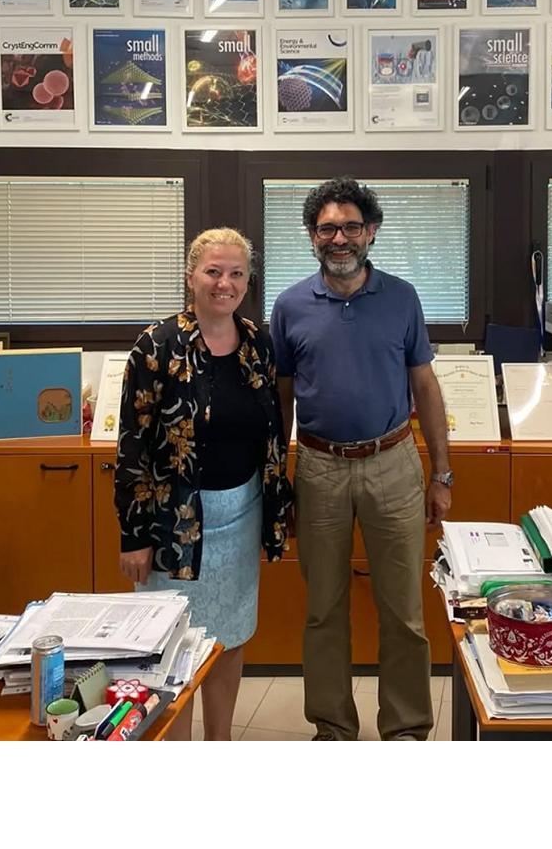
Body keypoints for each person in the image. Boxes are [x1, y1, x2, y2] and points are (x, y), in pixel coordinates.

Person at [270, 177, 452, 741]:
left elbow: (425, 387)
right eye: (327, 228)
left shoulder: (402, 297)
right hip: (318, 468)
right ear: (312, 236)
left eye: (351, 226)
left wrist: (442, 474)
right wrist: (278, 481)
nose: (340, 238)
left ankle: (406, 727)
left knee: (403, 609)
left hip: (393, 462)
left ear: (371, 232)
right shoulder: (289, 305)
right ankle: (333, 726)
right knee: (323, 608)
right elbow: (280, 399)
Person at [115, 227, 293, 741]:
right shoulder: (157, 345)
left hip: (241, 516)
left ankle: (219, 743)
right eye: (213, 271)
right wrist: (133, 536)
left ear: (248, 281)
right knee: (173, 648)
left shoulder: (257, 342)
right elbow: (132, 444)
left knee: (230, 637)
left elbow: (272, 431)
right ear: (191, 276)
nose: (224, 283)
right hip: (172, 521)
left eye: (236, 273)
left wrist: (278, 509)